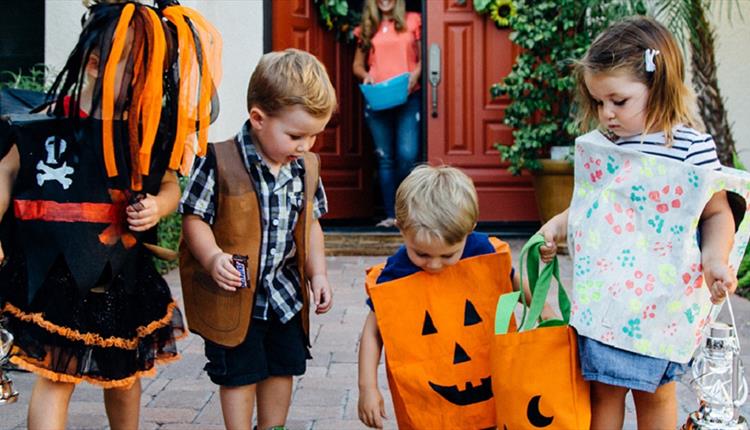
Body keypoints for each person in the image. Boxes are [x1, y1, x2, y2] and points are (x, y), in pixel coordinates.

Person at [0, 0, 221, 428]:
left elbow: (171, 184)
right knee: (56, 374)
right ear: (98, 65)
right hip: (56, 275)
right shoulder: (44, 125)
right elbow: (8, 169)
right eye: (138, 75)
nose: (149, 87)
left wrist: (159, 204)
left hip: (119, 274)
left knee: (124, 375)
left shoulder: (148, 133)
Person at [538, 16, 737, 429]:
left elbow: (716, 211)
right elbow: (592, 205)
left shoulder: (691, 149)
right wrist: (558, 225)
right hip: (607, 302)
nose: (606, 114)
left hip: (661, 304)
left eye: (619, 100)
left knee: (657, 395)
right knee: (603, 391)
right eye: (597, 102)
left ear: (658, 85)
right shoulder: (604, 146)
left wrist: (715, 259)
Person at [179, 48, 335, 430]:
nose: (305, 146)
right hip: (234, 295)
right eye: (296, 135)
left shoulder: (305, 167)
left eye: (313, 136)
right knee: (238, 371)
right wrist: (213, 256)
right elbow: (194, 218)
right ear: (258, 119)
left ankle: (273, 426)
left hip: (283, 294)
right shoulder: (219, 160)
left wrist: (318, 274)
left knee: (282, 367)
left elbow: (311, 224)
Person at [357, 164, 555, 429]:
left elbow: (512, 281)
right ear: (401, 229)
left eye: (448, 255)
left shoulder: (482, 251)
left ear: (470, 229)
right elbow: (373, 332)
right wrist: (367, 387)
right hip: (429, 392)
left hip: (487, 368)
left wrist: (544, 311)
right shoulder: (395, 275)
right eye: (422, 254)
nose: (435, 265)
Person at [353, 0, 422, 228]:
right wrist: (366, 76)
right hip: (378, 99)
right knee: (385, 158)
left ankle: (407, 214)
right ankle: (391, 215)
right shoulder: (367, 26)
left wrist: (415, 75)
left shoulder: (413, 21)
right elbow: (357, 65)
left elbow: (424, 59)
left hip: (408, 96)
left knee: (407, 155)